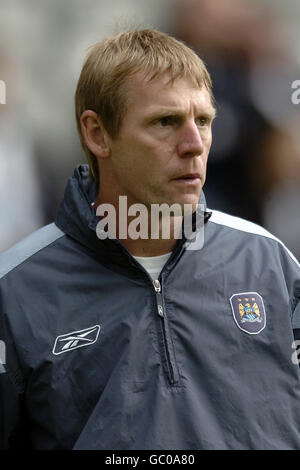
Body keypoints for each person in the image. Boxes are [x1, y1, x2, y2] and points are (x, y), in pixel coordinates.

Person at [0, 29, 300, 450]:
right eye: (166, 122)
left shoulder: (272, 265)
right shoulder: (14, 291)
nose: (194, 145)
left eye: (204, 121)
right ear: (97, 134)